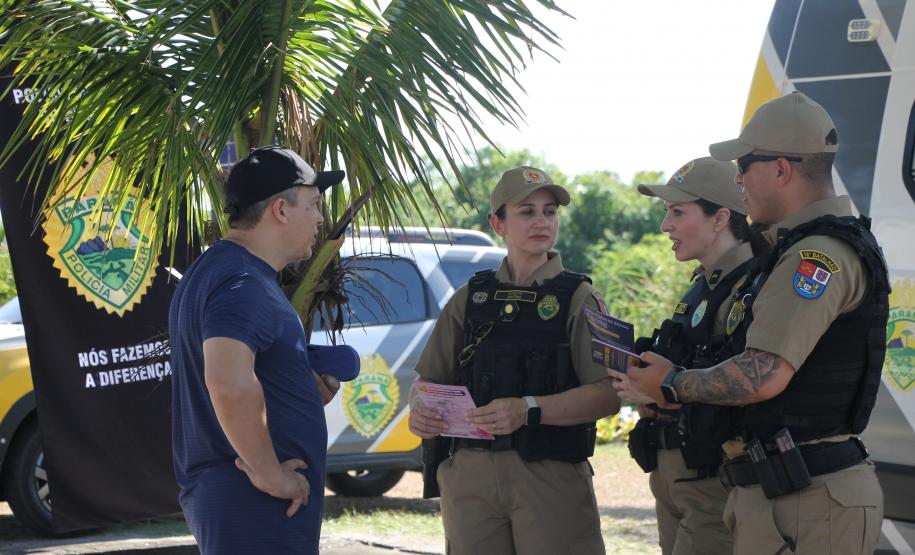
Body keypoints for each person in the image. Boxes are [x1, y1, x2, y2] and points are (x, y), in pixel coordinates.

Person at [615, 92, 888, 555]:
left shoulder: (813, 255)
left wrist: (673, 383)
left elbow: (764, 373)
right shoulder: (794, 249)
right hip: (788, 492)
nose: (737, 179)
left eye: (744, 165)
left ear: (781, 169)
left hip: (808, 496)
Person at [408, 166, 620, 555]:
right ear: (497, 223)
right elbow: (427, 383)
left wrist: (529, 409)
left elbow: (609, 395)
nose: (541, 222)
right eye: (527, 212)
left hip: (549, 475)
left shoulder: (580, 297)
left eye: (550, 211)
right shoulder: (469, 298)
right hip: (470, 477)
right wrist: (419, 409)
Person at [169, 146, 345, 554]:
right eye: (314, 205)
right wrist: (271, 475)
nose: (320, 218)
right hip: (256, 504)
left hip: (242, 505)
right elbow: (228, 384)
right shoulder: (242, 282)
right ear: (281, 210)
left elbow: (235, 371)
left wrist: (295, 387)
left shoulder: (219, 271)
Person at [624, 156, 756, 555]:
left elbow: (749, 383)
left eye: (678, 212)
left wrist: (666, 387)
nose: (666, 226)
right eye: (667, 212)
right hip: (673, 474)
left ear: (720, 219)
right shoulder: (702, 286)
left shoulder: (753, 287)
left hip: (713, 477)